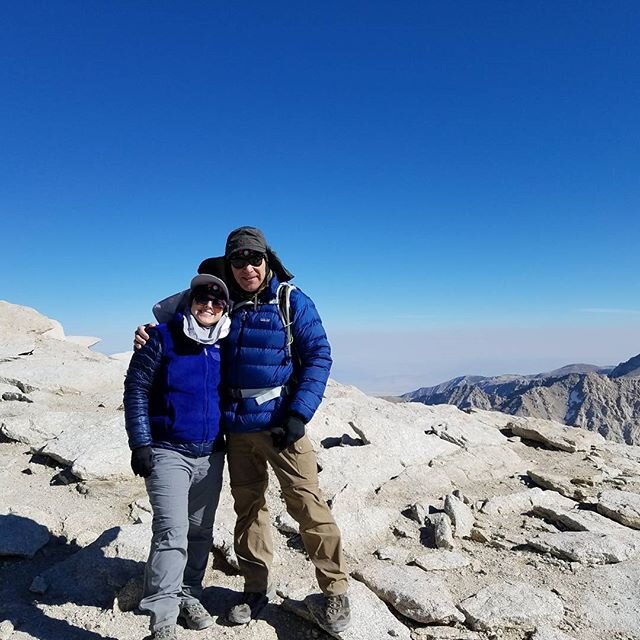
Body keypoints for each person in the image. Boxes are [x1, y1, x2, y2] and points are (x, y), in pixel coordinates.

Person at [137, 227, 351, 634]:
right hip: (235, 428)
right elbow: (173, 320)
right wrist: (145, 333)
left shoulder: (291, 302)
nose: (247, 267)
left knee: (307, 505)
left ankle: (335, 590)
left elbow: (319, 355)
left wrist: (298, 414)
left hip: (281, 425)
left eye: (255, 259)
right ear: (228, 264)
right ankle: (255, 588)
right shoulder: (223, 300)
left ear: (267, 260)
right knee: (248, 508)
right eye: (238, 260)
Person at [124, 274, 231, 640]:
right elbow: (136, 387)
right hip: (168, 451)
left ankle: (189, 594)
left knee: (200, 532)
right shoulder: (162, 337)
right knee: (172, 533)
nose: (209, 306)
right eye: (202, 298)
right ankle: (163, 623)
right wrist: (140, 442)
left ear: (225, 309)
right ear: (189, 301)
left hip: (212, 453)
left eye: (217, 302)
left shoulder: (225, 343)